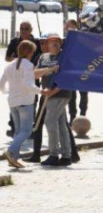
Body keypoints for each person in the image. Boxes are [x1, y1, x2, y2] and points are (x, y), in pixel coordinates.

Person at [1, 40, 40, 168]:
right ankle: (10, 151)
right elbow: (28, 85)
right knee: (27, 131)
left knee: (18, 132)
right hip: (25, 101)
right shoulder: (28, 65)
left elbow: (1, 84)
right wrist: (42, 91)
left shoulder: (9, 65)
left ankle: (14, 159)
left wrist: (8, 92)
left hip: (12, 101)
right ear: (30, 52)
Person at [38, 33, 74, 167]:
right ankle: (66, 156)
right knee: (61, 124)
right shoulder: (44, 57)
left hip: (59, 94)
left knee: (49, 121)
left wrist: (52, 91)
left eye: (57, 41)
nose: (54, 44)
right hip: (48, 95)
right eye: (51, 41)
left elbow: (66, 78)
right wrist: (49, 69)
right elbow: (35, 73)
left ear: (61, 43)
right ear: (46, 44)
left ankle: (53, 154)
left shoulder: (64, 57)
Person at [5, 21, 41, 137]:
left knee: (31, 102)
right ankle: (15, 127)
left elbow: (40, 58)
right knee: (15, 101)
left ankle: (29, 128)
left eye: (26, 28)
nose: (23, 31)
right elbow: (7, 58)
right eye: (21, 28)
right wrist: (15, 59)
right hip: (16, 75)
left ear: (31, 30)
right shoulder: (14, 42)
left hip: (31, 73)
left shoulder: (36, 43)